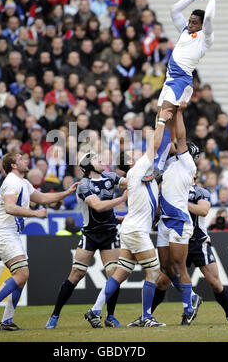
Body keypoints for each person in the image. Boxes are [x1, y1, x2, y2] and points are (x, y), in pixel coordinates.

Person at [84, 107, 173, 328]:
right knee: (153, 272)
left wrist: (167, 125)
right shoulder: (138, 170)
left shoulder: (141, 173)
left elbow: (160, 156)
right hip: (137, 231)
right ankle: (146, 317)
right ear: (131, 163)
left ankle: (95, 310)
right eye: (133, 155)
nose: (138, 155)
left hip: (130, 229)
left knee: (120, 273)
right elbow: (154, 145)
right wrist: (161, 120)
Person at [0, 152, 79, 330]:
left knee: (21, 277)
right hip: (4, 233)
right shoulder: (11, 181)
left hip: (11, 234)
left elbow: (42, 198)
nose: (25, 160)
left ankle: (7, 321)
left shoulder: (23, 182)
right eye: (20, 159)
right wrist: (35, 213)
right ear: (14, 166)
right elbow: (9, 207)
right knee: (22, 274)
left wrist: (67, 192)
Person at [143, 0, 225, 182]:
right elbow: (174, 10)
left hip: (181, 81)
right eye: (189, 20)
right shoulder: (185, 32)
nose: (190, 23)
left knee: (165, 119)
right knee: (162, 123)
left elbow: (210, 18)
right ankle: (162, 162)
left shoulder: (205, 38)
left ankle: (158, 165)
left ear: (201, 24)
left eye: (194, 22)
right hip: (169, 80)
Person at [129, 183, 228, 326]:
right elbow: (157, 211)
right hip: (178, 241)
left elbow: (204, 210)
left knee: (215, 282)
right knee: (162, 282)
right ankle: (147, 316)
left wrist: (181, 204)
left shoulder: (199, 192)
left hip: (198, 243)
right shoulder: (168, 191)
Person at [45, 152, 128, 329]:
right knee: (76, 275)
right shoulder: (84, 185)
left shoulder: (110, 177)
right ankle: (54, 315)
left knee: (114, 276)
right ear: (88, 166)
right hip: (90, 234)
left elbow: (132, 183)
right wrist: (121, 199)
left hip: (110, 233)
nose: (101, 161)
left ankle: (110, 317)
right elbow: (97, 206)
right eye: (97, 159)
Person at [156, 103, 199, 325]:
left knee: (179, 266)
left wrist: (179, 113)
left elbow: (179, 140)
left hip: (180, 221)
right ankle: (191, 297)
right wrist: (168, 116)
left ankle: (187, 308)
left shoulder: (187, 165)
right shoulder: (172, 164)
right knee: (166, 267)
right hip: (165, 221)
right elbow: (173, 139)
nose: (177, 147)